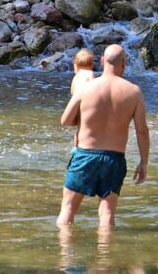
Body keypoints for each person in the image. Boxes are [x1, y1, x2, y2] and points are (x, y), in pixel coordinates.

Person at [57, 44, 150, 228]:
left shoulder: (87, 88)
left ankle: (65, 255)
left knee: (68, 209)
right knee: (107, 214)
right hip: (114, 159)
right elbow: (142, 131)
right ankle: (106, 255)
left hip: (85, 156)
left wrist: (88, 120)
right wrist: (143, 162)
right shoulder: (134, 92)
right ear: (124, 64)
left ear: (101, 61)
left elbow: (65, 121)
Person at [69, 49, 96, 148]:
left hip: (76, 105)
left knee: (79, 129)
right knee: (89, 127)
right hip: (87, 104)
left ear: (75, 66)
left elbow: (72, 92)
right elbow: (93, 90)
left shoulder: (75, 78)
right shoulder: (90, 74)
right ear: (92, 65)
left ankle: (75, 148)